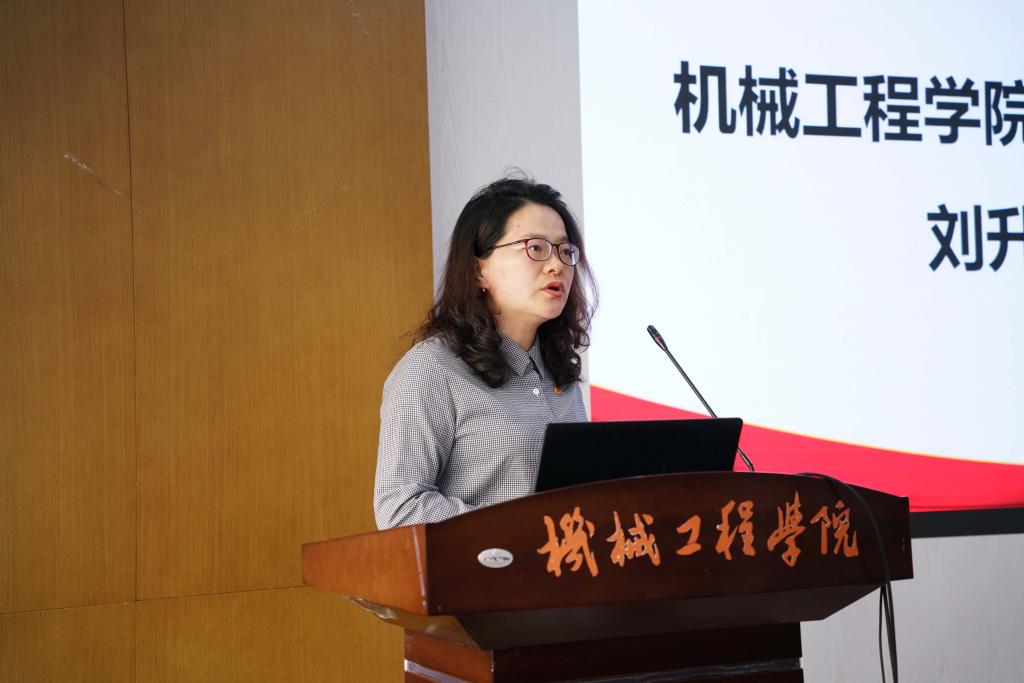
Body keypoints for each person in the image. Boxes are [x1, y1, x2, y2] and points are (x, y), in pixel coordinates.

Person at [373, 176, 597, 529]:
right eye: (536, 248)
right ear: (479, 269)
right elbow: (399, 509)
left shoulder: (559, 373)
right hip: (482, 565)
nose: (556, 265)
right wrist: (517, 526)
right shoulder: (432, 369)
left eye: (565, 251)